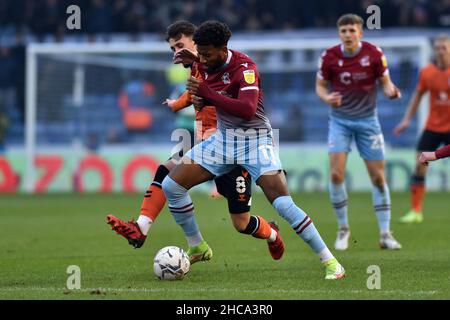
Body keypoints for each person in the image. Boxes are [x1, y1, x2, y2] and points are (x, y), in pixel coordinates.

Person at [161, 20, 345, 280]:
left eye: (207, 53)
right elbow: (204, 77)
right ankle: (198, 245)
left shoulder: (245, 68)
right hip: (223, 141)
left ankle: (331, 263)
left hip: (255, 141)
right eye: (199, 53)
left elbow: (247, 110)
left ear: (223, 49)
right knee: (171, 186)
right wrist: (195, 63)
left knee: (283, 204)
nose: (202, 58)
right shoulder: (204, 62)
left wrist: (207, 93)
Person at [107, 21, 285, 264]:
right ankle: (152, 229)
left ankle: (272, 233)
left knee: (241, 223)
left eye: (180, 45)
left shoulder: (214, 65)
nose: (176, 52)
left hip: (232, 144)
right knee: (167, 173)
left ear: (195, 42)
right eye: (172, 49)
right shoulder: (196, 68)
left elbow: (227, 99)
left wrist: (183, 104)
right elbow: (194, 94)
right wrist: (177, 104)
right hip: (204, 142)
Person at [315, 14, 402, 251]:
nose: (348, 35)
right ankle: (343, 229)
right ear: (339, 34)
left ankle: (385, 233)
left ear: (360, 33)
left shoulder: (374, 53)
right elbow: (320, 87)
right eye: (344, 31)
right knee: (335, 175)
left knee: (378, 178)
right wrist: (327, 98)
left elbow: (385, 82)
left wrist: (390, 91)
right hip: (340, 121)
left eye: (352, 31)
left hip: (368, 122)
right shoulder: (329, 56)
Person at [394, 34, 450, 224]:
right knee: (420, 163)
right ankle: (416, 211)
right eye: (438, 48)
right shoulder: (427, 72)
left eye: (444, 47)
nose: (441, 51)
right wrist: (406, 120)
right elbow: (417, 96)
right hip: (433, 125)